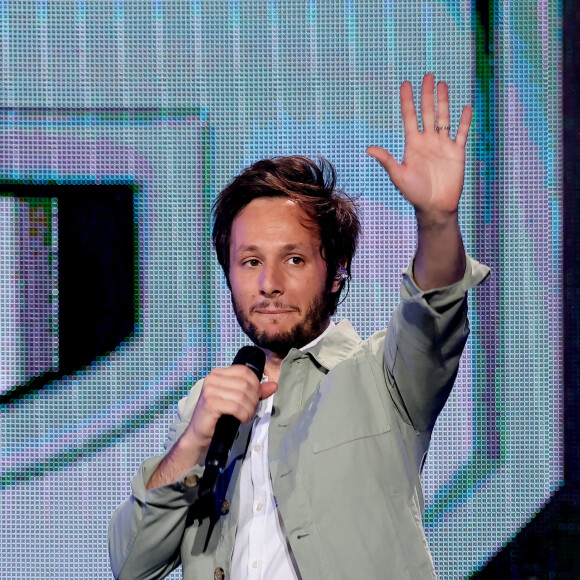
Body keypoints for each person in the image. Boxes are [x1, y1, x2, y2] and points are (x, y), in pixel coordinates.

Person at [108, 73, 490, 579]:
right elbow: (133, 564)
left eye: (293, 259)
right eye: (249, 262)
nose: (268, 283)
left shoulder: (383, 375)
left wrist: (437, 221)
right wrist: (194, 441)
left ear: (336, 273)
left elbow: (434, 308)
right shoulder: (207, 405)